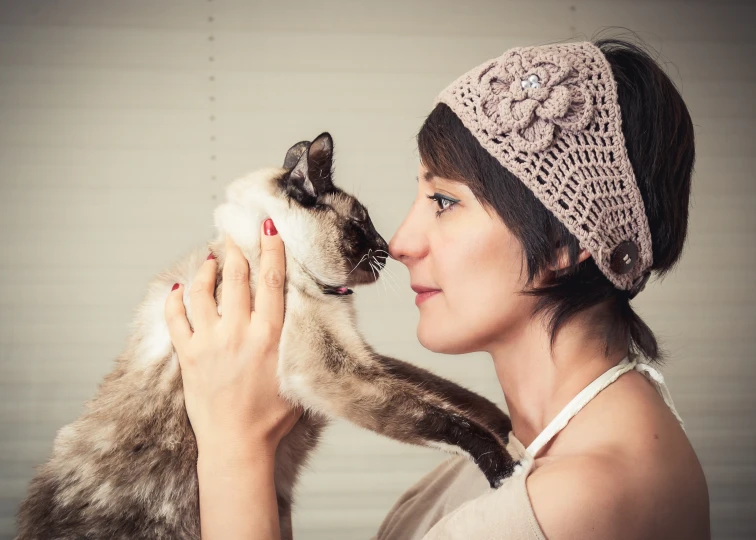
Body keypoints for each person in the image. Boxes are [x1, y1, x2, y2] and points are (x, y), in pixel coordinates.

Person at [164, 37, 710, 539]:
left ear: (571, 240)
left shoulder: (575, 500)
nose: (399, 242)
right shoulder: (536, 448)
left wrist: (235, 445)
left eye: (444, 202)